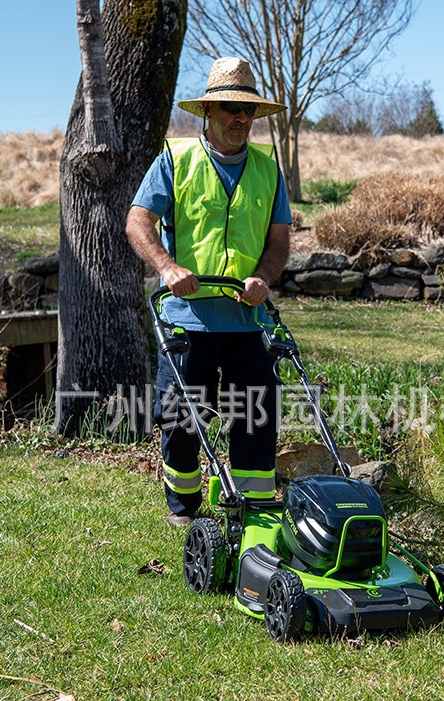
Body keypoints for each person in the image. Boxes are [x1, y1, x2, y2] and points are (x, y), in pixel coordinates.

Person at [126, 57, 292, 526]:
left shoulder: (267, 169)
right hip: (186, 317)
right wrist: (166, 265)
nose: (241, 119)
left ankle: (254, 510)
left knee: (256, 417)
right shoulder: (174, 160)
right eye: (230, 109)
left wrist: (264, 276)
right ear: (208, 112)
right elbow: (138, 221)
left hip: (246, 319)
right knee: (181, 418)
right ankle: (183, 510)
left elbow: (279, 240)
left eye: (247, 111)